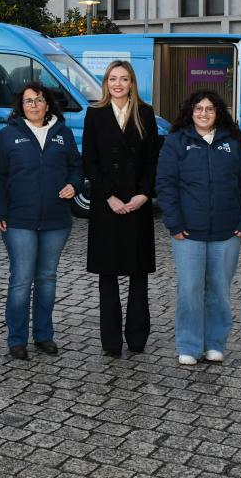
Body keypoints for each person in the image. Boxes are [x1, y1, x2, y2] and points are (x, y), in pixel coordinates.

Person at [156, 90, 241, 366]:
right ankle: (189, 345)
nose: (204, 113)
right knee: (190, 289)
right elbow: (165, 184)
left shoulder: (235, 142)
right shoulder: (176, 142)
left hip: (228, 232)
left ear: (218, 113)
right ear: (190, 111)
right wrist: (174, 223)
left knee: (219, 290)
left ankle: (215, 343)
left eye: (210, 109)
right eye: (198, 108)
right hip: (188, 232)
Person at [0, 82, 83, 360]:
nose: (34, 105)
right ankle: (17, 339)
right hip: (19, 220)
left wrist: (74, 185)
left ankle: (43, 335)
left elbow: (77, 167)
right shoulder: (7, 135)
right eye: (28, 101)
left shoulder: (63, 134)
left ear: (48, 104)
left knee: (47, 278)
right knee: (22, 278)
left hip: (56, 220)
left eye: (39, 100)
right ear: (21, 106)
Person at [81, 60, 161, 358]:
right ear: (106, 83)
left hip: (137, 204)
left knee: (138, 274)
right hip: (107, 206)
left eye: (124, 79)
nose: (118, 84)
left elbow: (153, 159)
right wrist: (108, 196)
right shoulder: (95, 113)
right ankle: (111, 341)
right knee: (108, 275)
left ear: (132, 83)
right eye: (112, 78)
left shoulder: (145, 113)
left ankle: (137, 338)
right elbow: (89, 161)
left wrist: (144, 194)